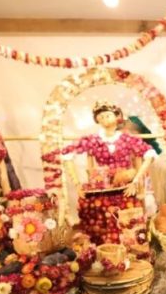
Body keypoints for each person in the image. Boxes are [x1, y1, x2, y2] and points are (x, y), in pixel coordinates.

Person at [63, 101, 155, 245]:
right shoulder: (93, 140)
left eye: (108, 115)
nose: (105, 118)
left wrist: (136, 181)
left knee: (129, 221)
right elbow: (67, 155)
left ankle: (131, 248)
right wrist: (77, 184)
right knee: (94, 213)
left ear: (117, 117)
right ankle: (102, 248)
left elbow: (150, 155)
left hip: (124, 188)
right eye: (101, 117)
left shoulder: (127, 139)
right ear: (97, 120)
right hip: (102, 188)